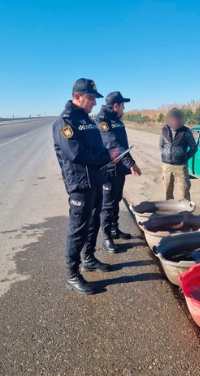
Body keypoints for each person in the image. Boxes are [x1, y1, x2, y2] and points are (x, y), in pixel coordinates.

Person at [52, 78, 120, 294]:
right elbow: (76, 153)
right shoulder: (65, 122)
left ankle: (88, 258)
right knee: (78, 228)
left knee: (93, 221)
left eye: (94, 98)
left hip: (96, 179)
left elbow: (97, 146)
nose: (93, 102)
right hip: (80, 184)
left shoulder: (87, 120)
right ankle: (72, 274)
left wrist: (108, 158)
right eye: (90, 98)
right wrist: (106, 156)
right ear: (76, 97)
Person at [96, 91, 142, 253]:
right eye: (123, 106)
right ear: (116, 106)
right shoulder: (102, 120)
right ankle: (106, 236)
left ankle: (115, 230)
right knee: (107, 204)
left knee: (116, 200)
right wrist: (131, 163)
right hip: (109, 169)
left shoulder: (115, 119)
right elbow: (114, 144)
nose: (124, 109)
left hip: (119, 169)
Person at [160, 108, 197, 202]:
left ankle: (185, 214)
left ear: (180, 120)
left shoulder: (186, 131)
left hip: (181, 166)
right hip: (166, 166)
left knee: (183, 192)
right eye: (173, 119)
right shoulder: (164, 130)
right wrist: (166, 156)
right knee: (166, 191)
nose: (175, 121)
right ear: (169, 120)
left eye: (177, 119)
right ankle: (168, 213)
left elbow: (193, 148)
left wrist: (184, 157)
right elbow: (161, 146)